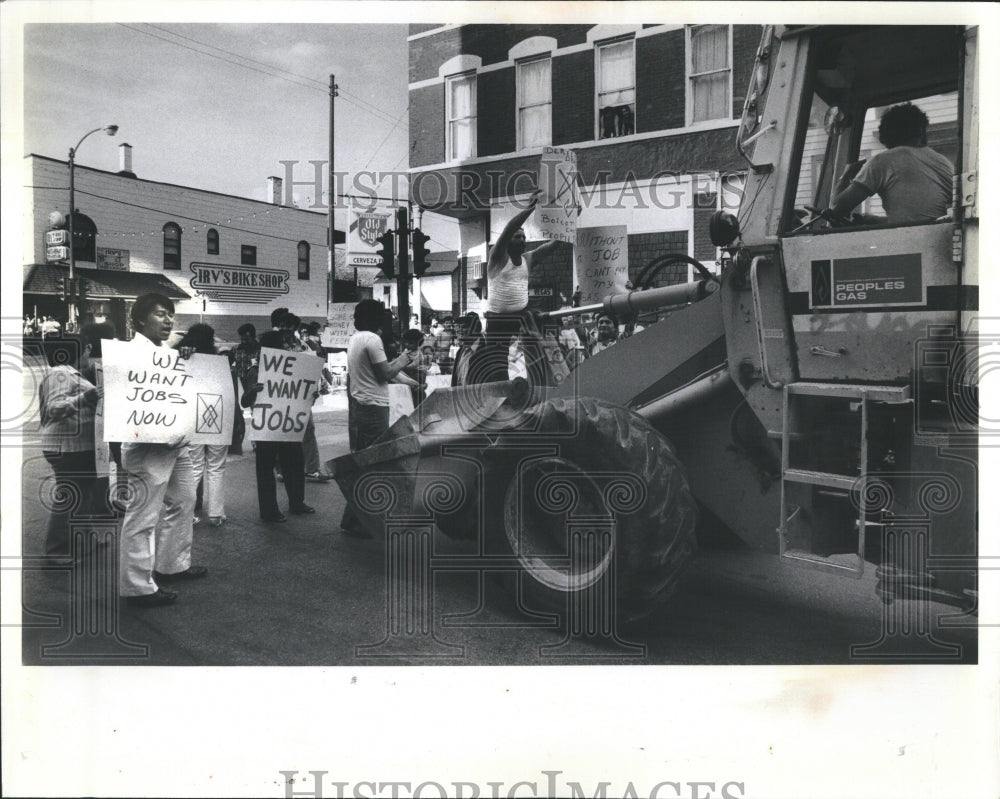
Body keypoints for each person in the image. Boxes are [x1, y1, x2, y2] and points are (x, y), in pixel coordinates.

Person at [118, 293, 207, 608]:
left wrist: (184, 360)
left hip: (176, 443)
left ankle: (172, 565)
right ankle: (137, 587)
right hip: (148, 447)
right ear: (140, 319)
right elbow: (122, 406)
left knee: (185, 500)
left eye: (171, 315)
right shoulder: (128, 354)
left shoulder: (164, 353)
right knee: (143, 515)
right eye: (160, 314)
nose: (168, 320)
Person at [340, 299, 417, 538]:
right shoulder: (373, 340)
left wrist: (410, 379)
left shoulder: (355, 339)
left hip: (364, 405)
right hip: (375, 407)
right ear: (376, 319)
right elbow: (385, 374)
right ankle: (361, 520)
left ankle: (353, 518)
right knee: (374, 464)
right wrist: (405, 358)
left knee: (368, 462)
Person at [470, 189, 559, 385]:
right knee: (497, 365)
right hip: (498, 320)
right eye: (517, 237)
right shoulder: (498, 257)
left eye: (524, 238)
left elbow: (553, 246)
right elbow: (509, 228)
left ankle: (541, 383)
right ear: (508, 241)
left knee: (536, 346)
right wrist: (530, 208)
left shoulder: (528, 258)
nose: (521, 240)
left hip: (521, 315)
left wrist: (570, 222)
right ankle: (502, 393)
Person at [830, 102, 954, 226]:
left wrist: (846, 175)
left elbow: (835, 210)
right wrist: (876, 221)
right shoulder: (943, 162)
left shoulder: (883, 161)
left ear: (885, 133)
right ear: (921, 131)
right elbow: (924, 219)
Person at [241, 330, 316, 522]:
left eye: (290, 344)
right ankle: (269, 511)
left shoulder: (297, 369)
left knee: (295, 463)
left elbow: (304, 397)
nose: (290, 347)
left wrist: (310, 395)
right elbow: (244, 401)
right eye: (286, 344)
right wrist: (253, 391)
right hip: (267, 427)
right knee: (266, 468)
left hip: (288, 423)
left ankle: (297, 502)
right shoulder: (257, 370)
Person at [37, 333, 101, 558]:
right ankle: (57, 551)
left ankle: (85, 538)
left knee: (83, 492)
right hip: (66, 446)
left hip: (76, 446)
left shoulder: (70, 373)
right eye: (86, 349)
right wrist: (86, 397)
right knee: (70, 495)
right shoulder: (60, 373)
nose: (88, 354)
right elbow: (54, 408)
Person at [176, 324, 231, 528]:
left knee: (194, 466)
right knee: (216, 467)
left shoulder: (180, 357)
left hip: (191, 416)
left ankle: (187, 513)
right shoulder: (218, 360)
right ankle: (216, 513)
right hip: (217, 415)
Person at [277, 312, 330, 481]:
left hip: (300, 396)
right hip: (278, 395)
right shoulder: (272, 344)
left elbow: (311, 369)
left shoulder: (303, 346)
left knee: (307, 430)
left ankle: (311, 469)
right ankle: (282, 470)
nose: (285, 328)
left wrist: (315, 388)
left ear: (294, 327)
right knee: (282, 432)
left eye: (288, 325)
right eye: (282, 324)